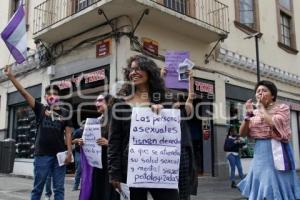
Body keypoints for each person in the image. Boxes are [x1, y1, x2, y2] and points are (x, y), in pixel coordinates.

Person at [108, 55, 180, 200]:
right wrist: (114, 173)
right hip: (132, 169)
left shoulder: (165, 99)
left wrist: (164, 110)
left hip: (161, 168)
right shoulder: (120, 103)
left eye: (139, 68)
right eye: (131, 69)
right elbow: (114, 141)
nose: (133, 72)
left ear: (150, 72)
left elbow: (174, 132)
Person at [4, 66, 73, 200]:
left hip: (60, 156)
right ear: (45, 97)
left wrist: (69, 153)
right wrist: (11, 77)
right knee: (38, 189)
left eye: (55, 93)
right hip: (42, 155)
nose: (52, 96)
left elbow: (69, 133)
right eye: (49, 94)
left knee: (59, 189)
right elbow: (24, 93)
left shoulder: (65, 113)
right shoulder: (40, 109)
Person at [238, 80, 300, 200]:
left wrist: (261, 108)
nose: (260, 93)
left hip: (278, 149)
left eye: (264, 90)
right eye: (258, 91)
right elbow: (242, 133)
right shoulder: (254, 113)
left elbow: (273, 123)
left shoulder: (282, 108)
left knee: (276, 179)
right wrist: (248, 115)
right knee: (262, 180)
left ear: (272, 95)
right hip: (260, 151)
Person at [71, 120, 85, 191]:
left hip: (87, 153)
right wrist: (76, 140)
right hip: (78, 152)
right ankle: (75, 186)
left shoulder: (89, 131)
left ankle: (84, 186)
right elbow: (71, 141)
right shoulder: (77, 131)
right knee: (79, 169)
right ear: (82, 125)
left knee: (86, 170)